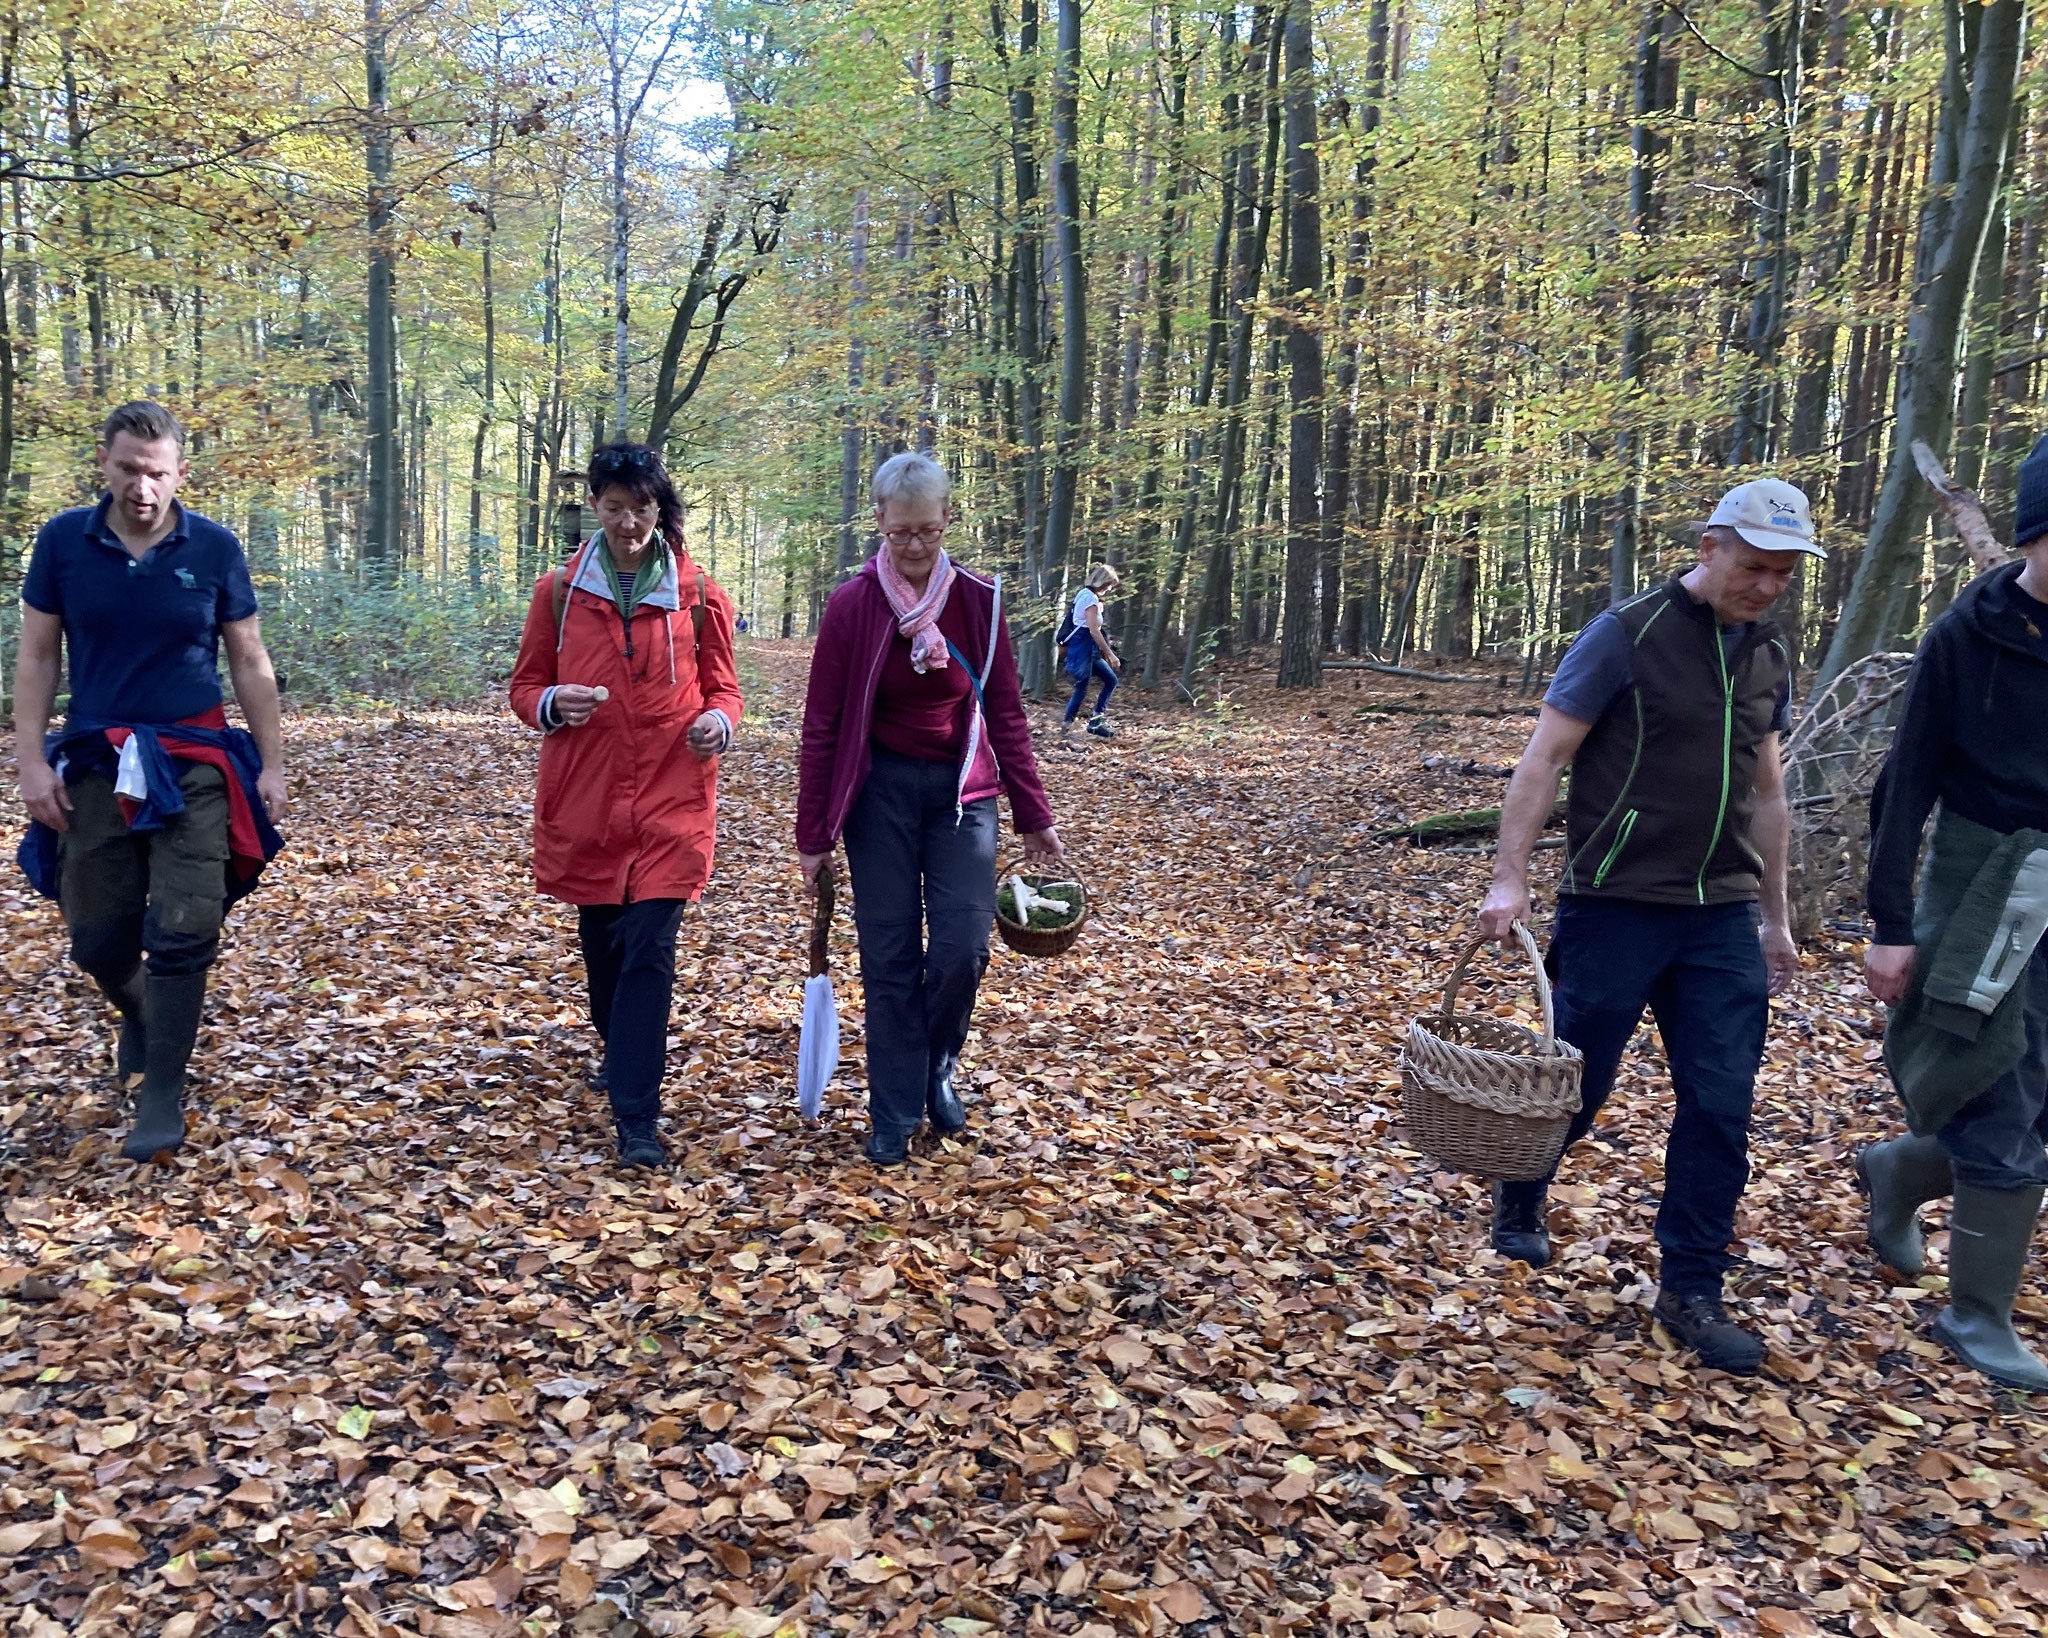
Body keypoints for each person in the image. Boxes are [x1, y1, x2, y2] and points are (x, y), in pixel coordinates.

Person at [1476, 479, 1820, 1375]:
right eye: (1753, 567)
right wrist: (1508, 879)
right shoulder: (1625, 635)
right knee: (1573, 1091)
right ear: (1709, 547)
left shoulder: (1767, 655)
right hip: (1615, 904)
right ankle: (1523, 1194)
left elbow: (1770, 793)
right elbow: (1545, 758)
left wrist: (1775, 919)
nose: (1766, 587)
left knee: (1720, 1105)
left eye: (1783, 574)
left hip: (1719, 918)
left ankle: (1692, 1290)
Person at [13, 400, 288, 1162]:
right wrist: (31, 760)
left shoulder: (216, 547)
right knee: (98, 936)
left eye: (157, 473)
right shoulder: (66, 542)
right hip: (97, 758)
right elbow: (38, 657)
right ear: (104, 462)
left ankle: (161, 1090)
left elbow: (250, 661)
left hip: (194, 759)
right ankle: (138, 1006)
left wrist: (272, 764)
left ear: (179, 474)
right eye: (129, 469)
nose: (143, 487)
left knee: (185, 924)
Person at [796, 451, 1061, 1165]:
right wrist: (814, 831)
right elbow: (822, 724)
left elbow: (1005, 712)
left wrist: (1035, 816)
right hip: (877, 794)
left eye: (927, 531)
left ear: (947, 519)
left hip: (961, 797)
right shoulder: (852, 606)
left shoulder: (980, 601)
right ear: (879, 521)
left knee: (961, 949)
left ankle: (936, 1063)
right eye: (900, 532)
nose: (913, 546)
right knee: (886, 956)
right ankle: (893, 1109)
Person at [1857, 433, 2048, 1392]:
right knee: (1996, 1086)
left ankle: (1900, 1169)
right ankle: (1978, 1318)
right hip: (1984, 891)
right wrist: (1889, 925)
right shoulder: (1967, 635)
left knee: (2038, 1103)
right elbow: (1906, 785)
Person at [508, 443, 742, 1170]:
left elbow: (725, 690)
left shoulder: (702, 595)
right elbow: (523, 689)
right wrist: (552, 702)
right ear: (595, 509)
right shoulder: (558, 592)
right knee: (605, 946)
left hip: (674, 798)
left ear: (658, 509)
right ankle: (618, 1050)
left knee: (650, 949)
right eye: (614, 506)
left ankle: (637, 1117)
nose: (628, 521)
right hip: (588, 797)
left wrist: (719, 724)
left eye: (640, 507)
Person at [1061, 564, 1123, 739]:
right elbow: (1093, 630)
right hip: (1085, 648)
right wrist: (1110, 653)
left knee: (1110, 680)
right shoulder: (1090, 599)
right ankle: (1069, 725)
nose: (1109, 588)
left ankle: (1095, 720)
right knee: (1082, 687)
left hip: (1086, 649)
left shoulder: (1084, 594)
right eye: (1109, 584)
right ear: (1102, 581)